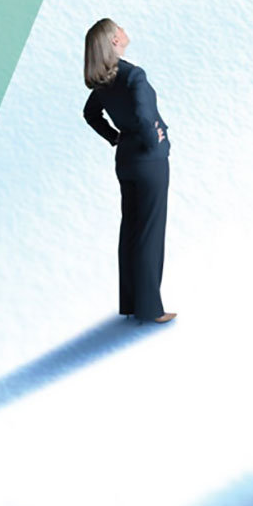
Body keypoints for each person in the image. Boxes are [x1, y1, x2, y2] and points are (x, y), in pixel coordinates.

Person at [82, 19, 175, 325]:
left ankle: (132, 303)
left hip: (126, 161)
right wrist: (154, 139)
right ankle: (151, 309)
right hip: (149, 162)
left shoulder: (105, 80)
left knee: (132, 231)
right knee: (150, 233)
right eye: (118, 29)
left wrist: (114, 136)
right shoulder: (133, 75)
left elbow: (90, 113)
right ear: (112, 40)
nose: (123, 31)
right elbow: (144, 115)